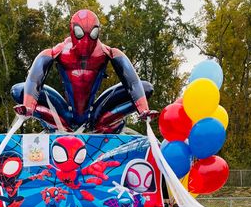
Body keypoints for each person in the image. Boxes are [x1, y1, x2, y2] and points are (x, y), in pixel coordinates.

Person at [11, 9, 154, 133]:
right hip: (66, 113)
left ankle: (102, 124)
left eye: (92, 34)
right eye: (80, 34)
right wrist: (28, 107)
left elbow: (133, 82)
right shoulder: (58, 51)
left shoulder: (108, 52)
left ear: (97, 32)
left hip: (95, 114)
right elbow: (35, 78)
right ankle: (58, 124)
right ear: (73, 32)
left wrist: (143, 110)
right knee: (18, 91)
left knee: (146, 88)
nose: (86, 41)